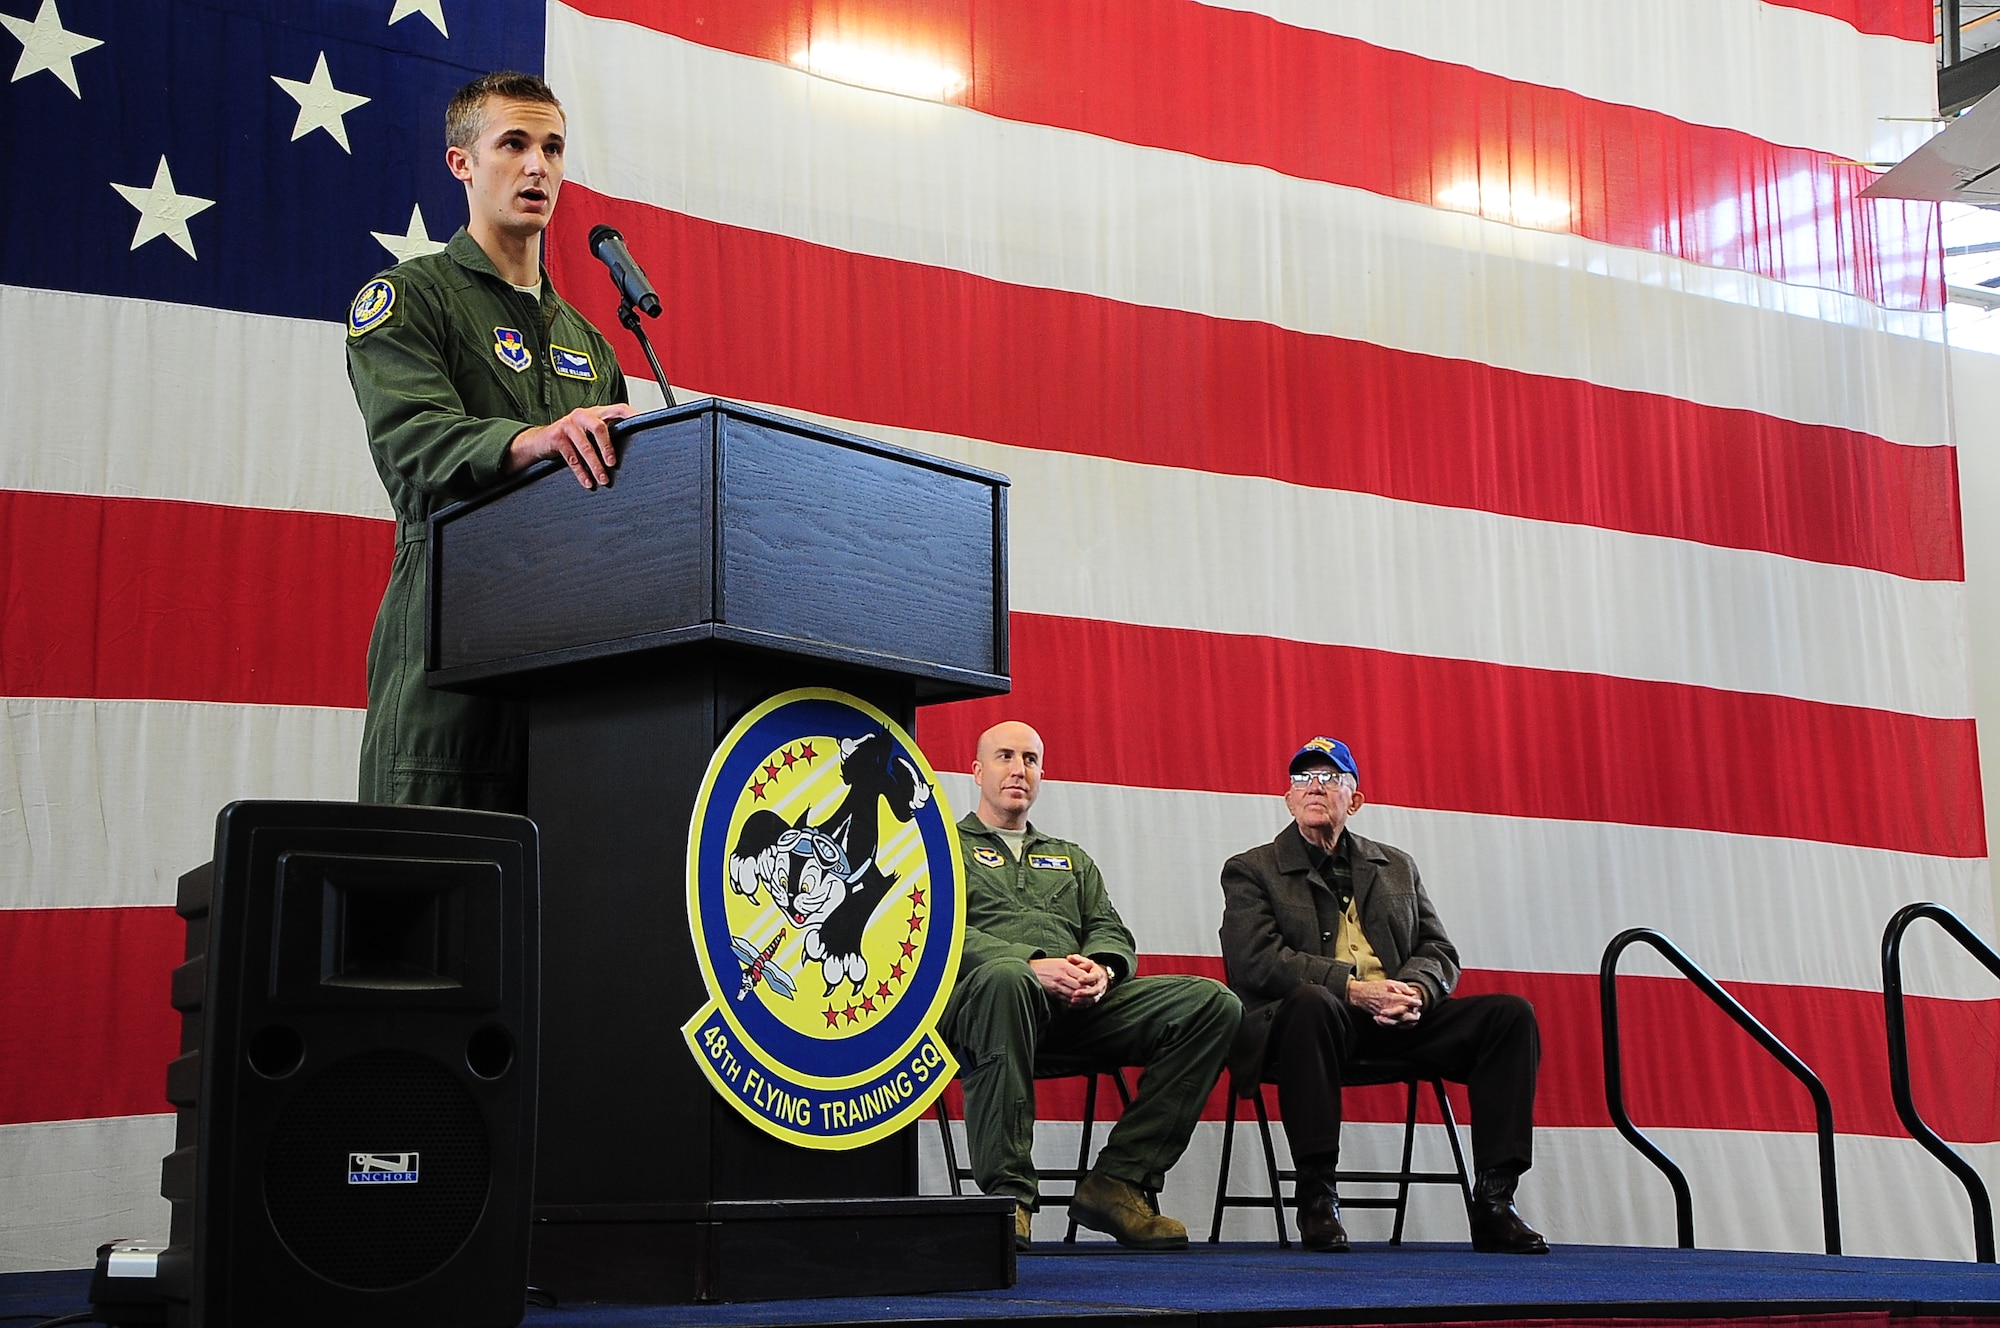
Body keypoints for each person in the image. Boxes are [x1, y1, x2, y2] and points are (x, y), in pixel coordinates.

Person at [345, 71, 633, 811]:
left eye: (553, 148)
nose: (539, 166)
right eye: (514, 143)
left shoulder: (592, 345)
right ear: (462, 162)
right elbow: (417, 440)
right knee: (434, 889)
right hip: (451, 649)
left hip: (570, 669)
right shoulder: (410, 299)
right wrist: (537, 440)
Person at [1218, 737, 1547, 1254]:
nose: (1315, 788)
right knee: (1312, 1001)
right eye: (1304, 778)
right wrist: (1352, 989)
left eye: (1330, 778)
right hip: (1310, 1028)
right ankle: (1318, 1197)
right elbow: (1253, 962)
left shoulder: (1396, 865)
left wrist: (1415, 990)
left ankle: (1494, 1202)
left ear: (1356, 800)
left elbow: (1439, 948)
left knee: (1510, 1016)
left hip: (1397, 1022)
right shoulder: (1252, 869)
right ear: (1287, 798)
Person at [943, 721, 1241, 1252]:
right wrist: (1033, 964)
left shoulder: (1070, 857)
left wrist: (1102, 969)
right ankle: (1007, 1198)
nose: (1019, 769)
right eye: (1005, 757)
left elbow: (1109, 928)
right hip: (989, 1006)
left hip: (1077, 1009)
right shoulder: (943, 848)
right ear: (977, 771)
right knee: (1008, 979)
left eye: (1030, 759)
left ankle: (1121, 1180)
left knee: (1211, 1003)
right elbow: (933, 931)